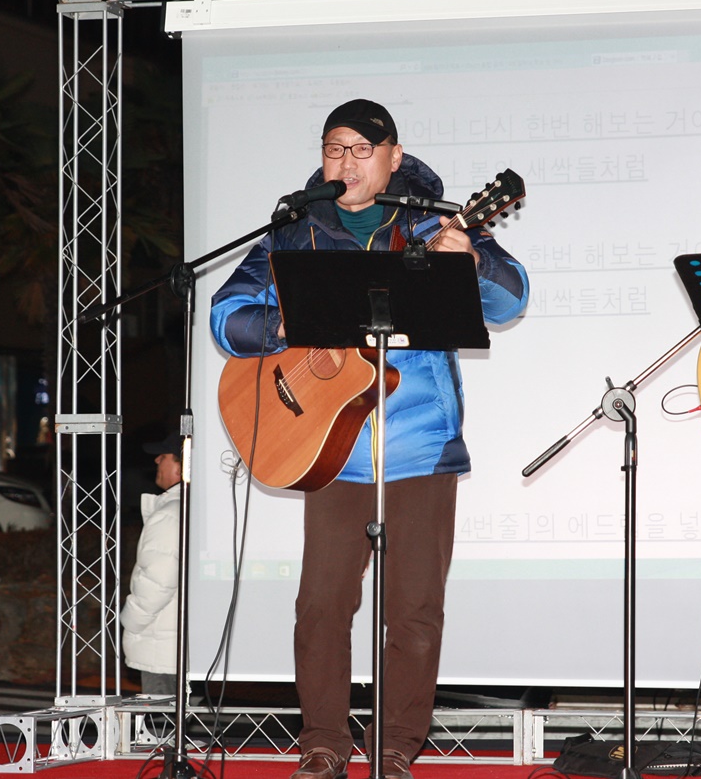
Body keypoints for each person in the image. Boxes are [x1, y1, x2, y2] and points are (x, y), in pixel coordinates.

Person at [210, 99, 529, 779]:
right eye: (334, 148)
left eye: (361, 149)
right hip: (329, 446)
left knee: (413, 609)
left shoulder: (432, 217)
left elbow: (512, 298)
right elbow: (225, 315)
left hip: (419, 442)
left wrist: (468, 259)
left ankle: (395, 747)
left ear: (391, 155)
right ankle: (323, 743)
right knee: (321, 605)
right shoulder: (296, 227)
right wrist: (299, 328)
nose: (346, 162)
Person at [121, 434, 183, 697]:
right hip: (176, 642)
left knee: (162, 729)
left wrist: (130, 620)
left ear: (181, 466)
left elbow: (158, 581)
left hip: (161, 645)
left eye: (164, 455)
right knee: (183, 722)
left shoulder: (170, 514)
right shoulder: (194, 508)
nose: (157, 460)